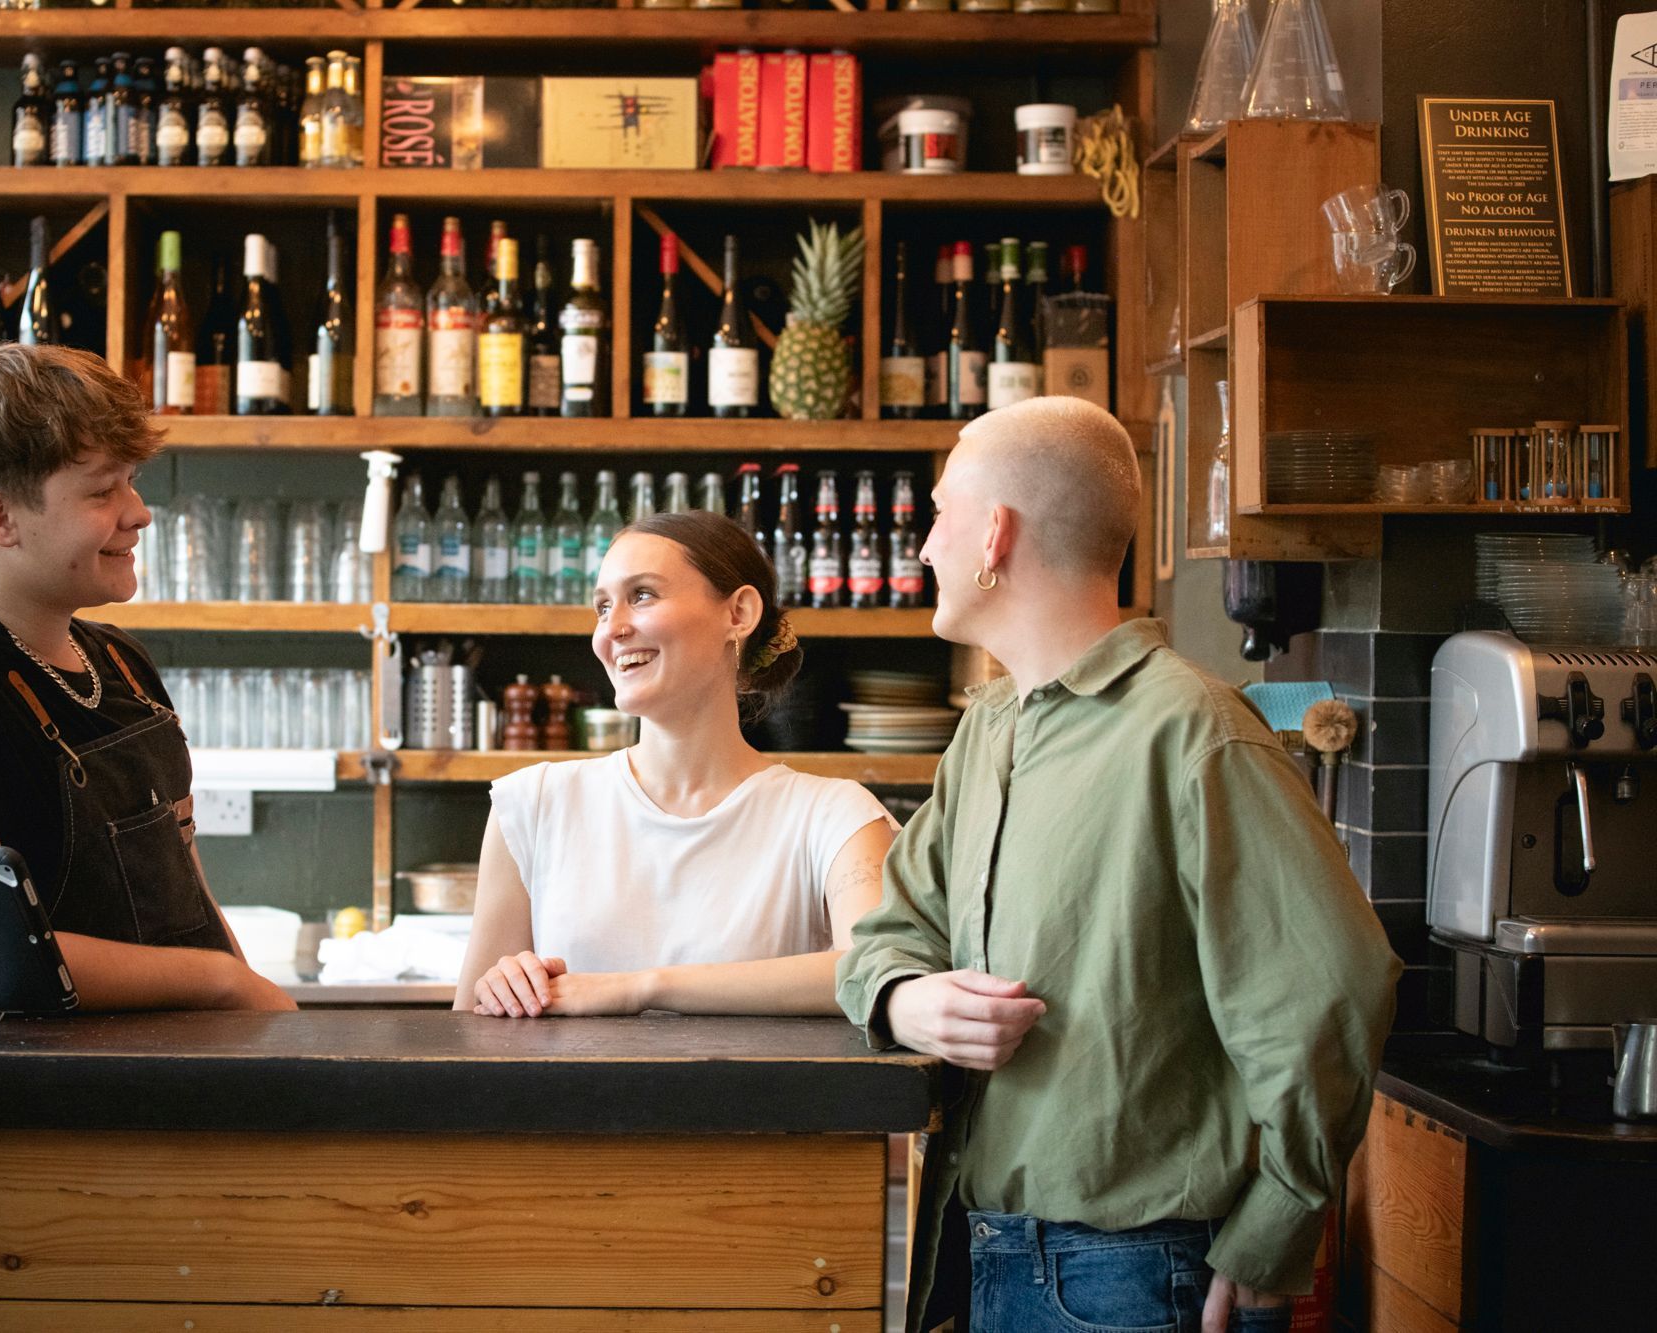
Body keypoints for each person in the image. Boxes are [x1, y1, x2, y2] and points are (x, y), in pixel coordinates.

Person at [836, 398, 1400, 1333]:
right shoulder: (988, 729)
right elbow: (886, 934)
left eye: (939, 514)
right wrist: (905, 1000)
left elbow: (1333, 988)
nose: (924, 546)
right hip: (985, 1246)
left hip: (1137, 1274)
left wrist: (1277, 1225)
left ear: (995, 535)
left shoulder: (1195, 732)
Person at [0, 344, 294, 1012]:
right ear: (0, 518)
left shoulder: (121, 661)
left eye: (132, 481)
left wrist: (247, 998)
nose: (139, 512)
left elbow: (188, 885)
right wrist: (220, 982)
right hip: (57, 1095)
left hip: (189, 1067)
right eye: (101, 490)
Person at [457, 511, 896, 1018]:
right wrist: (502, 987)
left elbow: (874, 967)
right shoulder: (532, 804)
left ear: (739, 612)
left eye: (642, 595)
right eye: (602, 607)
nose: (612, 630)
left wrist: (640, 988)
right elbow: (470, 1030)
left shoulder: (834, 816)